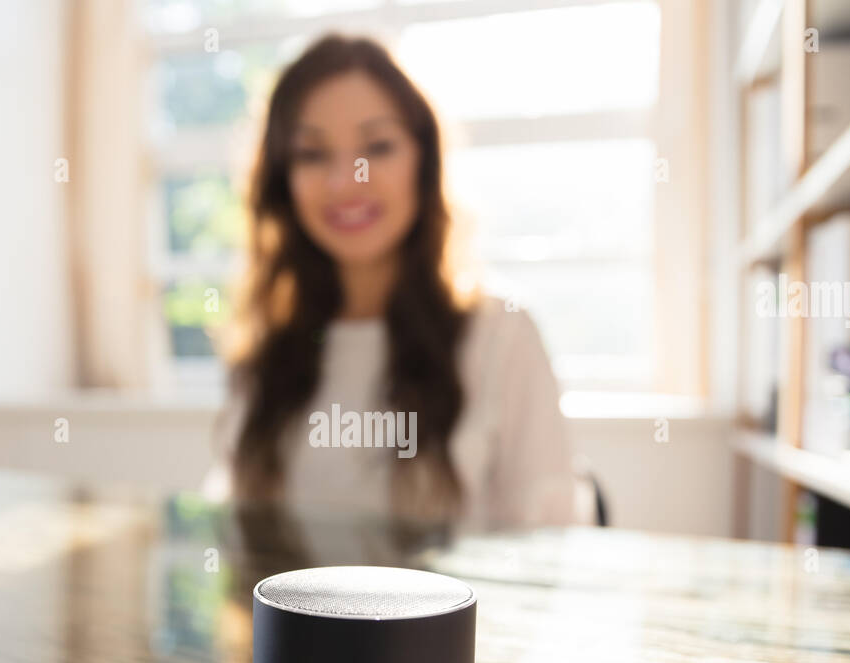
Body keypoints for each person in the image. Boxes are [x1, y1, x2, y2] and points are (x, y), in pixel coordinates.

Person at [204, 34, 576, 532]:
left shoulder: (501, 337)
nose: (344, 181)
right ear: (282, 180)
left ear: (424, 161)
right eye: (312, 154)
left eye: (377, 147)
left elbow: (550, 550)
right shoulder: (268, 352)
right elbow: (236, 537)